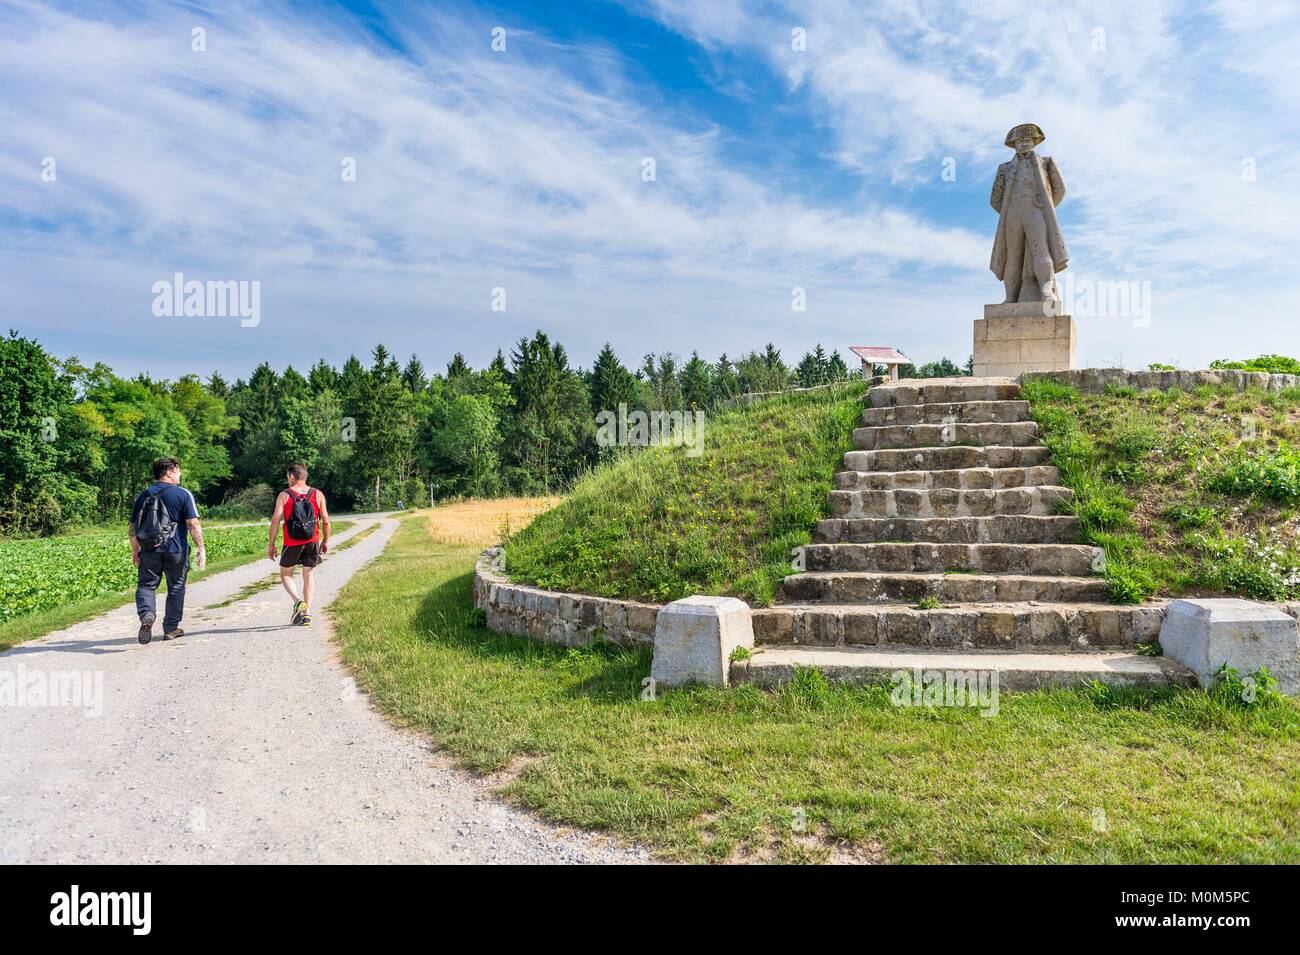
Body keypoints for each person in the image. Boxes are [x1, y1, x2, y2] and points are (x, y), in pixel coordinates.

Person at [130, 457, 206, 644]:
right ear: (170, 471)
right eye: (178, 471)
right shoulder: (182, 494)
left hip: (149, 550)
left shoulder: (143, 494)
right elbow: (193, 524)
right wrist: (201, 548)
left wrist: (135, 550)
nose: (180, 474)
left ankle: (147, 614)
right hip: (176, 550)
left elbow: (132, 528)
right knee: (176, 587)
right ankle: (171, 628)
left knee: (146, 585)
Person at [267, 463, 331, 626]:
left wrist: (271, 544)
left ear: (292, 476)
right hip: (312, 540)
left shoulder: (285, 495)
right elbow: (325, 520)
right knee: (308, 574)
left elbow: (276, 520)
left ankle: (297, 602)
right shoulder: (318, 494)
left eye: (288, 477)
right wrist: (325, 541)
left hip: (292, 542)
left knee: (286, 574)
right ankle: (307, 613)